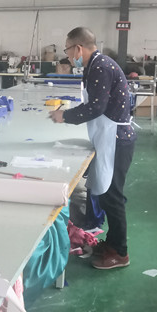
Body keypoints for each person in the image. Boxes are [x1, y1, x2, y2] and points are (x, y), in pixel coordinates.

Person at [49, 26, 136, 270]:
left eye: (68, 50)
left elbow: (96, 107)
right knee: (106, 195)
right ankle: (112, 243)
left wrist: (64, 116)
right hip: (109, 137)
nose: (68, 56)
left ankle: (120, 253)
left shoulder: (100, 67)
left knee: (113, 196)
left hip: (117, 139)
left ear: (78, 48)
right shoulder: (94, 66)